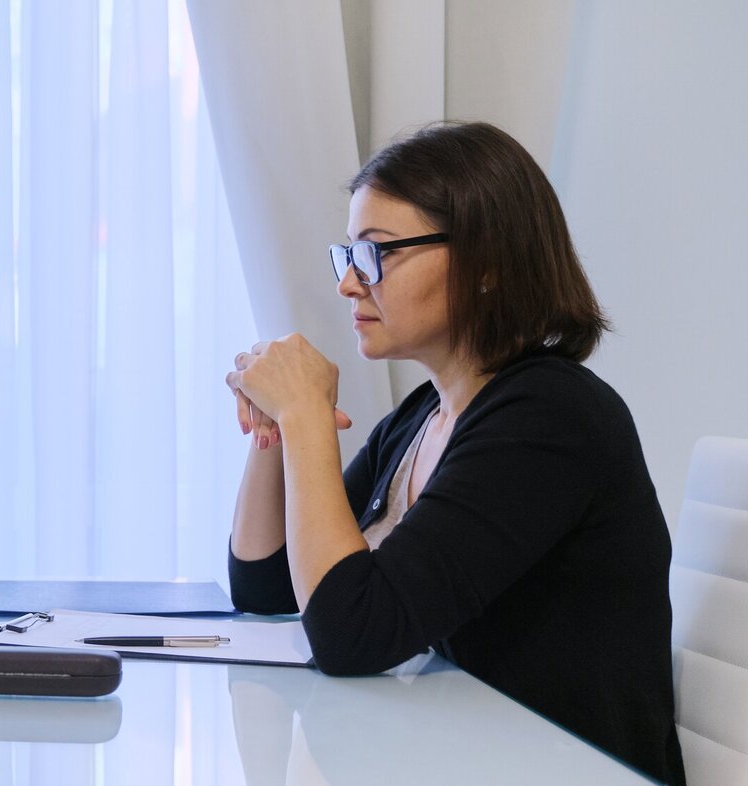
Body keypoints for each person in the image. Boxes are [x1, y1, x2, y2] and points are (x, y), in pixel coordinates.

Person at [225, 122, 684, 785]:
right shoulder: (426, 413)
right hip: (465, 755)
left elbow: (352, 633)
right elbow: (268, 588)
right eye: (348, 254)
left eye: (377, 253)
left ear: (488, 263)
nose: (349, 284)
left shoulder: (548, 419)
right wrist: (274, 431)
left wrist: (305, 419)